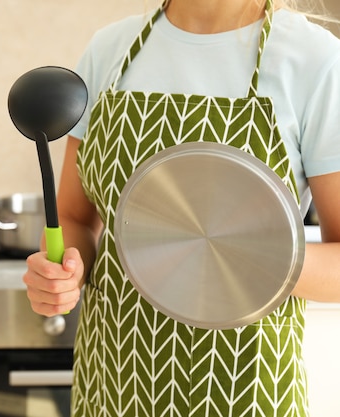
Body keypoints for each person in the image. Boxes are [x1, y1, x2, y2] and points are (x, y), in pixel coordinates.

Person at [22, 0, 340, 416]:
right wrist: (63, 269)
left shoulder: (314, 61)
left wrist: (242, 253)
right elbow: (75, 218)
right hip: (116, 382)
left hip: (243, 389)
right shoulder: (110, 52)